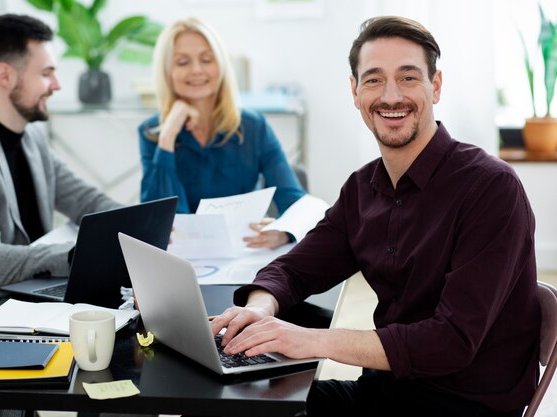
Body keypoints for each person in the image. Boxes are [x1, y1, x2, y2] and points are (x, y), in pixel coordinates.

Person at [210, 16, 540, 417]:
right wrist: (258, 310)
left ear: (435, 86)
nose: (390, 96)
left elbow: (451, 340)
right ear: (355, 91)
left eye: (408, 78)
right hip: (384, 395)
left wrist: (311, 341)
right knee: (226, 405)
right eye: (373, 80)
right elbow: (295, 269)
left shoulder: (491, 187)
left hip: (461, 406)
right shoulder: (363, 187)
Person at [0, 14, 121, 341]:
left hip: (24, 296)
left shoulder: (31, 137)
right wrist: (73, 255)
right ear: (5, 75)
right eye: (47, 73)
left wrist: (135, 229)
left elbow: (85, 199)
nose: (57, 84)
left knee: (125, 317)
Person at [138, 17, 305, 249]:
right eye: (183, 62)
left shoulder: (254, 127)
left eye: (207, 60)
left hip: (245, 255)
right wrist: (167, 138)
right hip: (183, 259)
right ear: (167, 72)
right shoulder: (151, 133)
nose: (196, 70)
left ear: (221, 66)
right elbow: (157, 223)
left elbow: (296, 204)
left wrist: (283, 232)